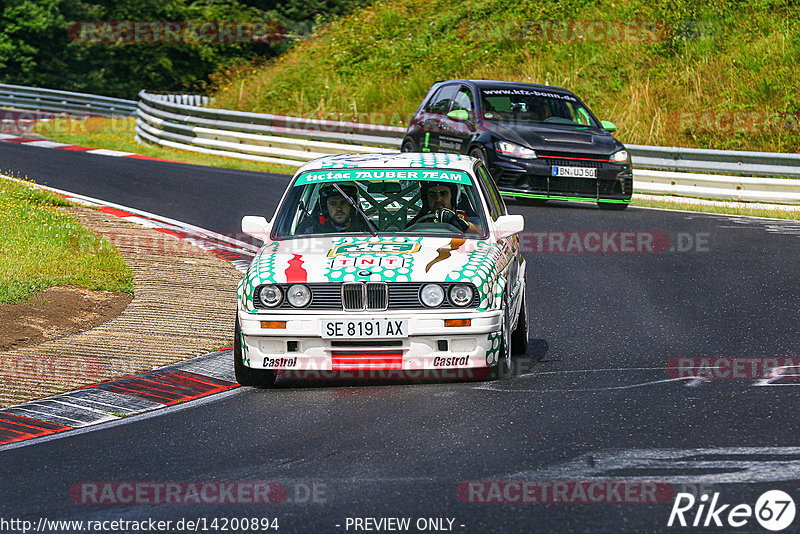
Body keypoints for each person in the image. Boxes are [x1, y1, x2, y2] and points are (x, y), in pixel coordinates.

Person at [406, 181, 482, 234]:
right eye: (432, 195)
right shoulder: (420, 220)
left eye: (444, 194)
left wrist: (460, 223)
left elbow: (483, 231)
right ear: (426, 199)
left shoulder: (468, 217)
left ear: (453, 197)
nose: (438, 199)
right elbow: (404, 233)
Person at [297, 183, 368, 234]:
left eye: (343, 203)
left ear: (352, 207)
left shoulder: (367, 229)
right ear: (325, 207)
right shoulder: (309, 230)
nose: (339, 208)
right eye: (333, 204)